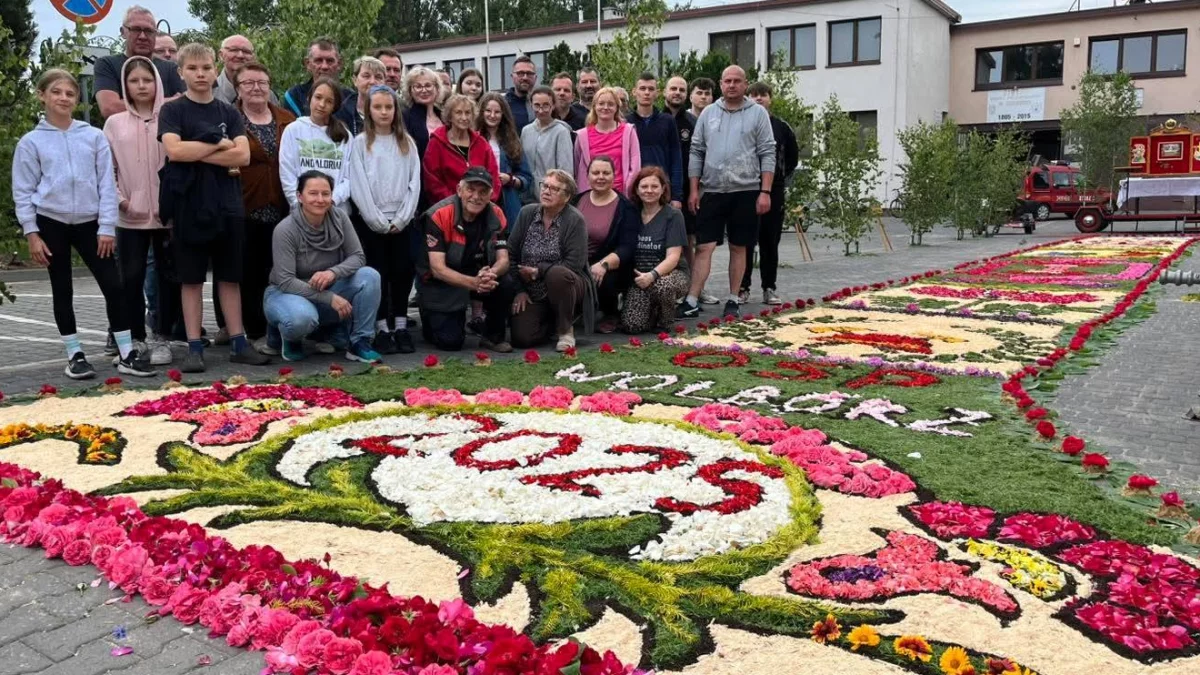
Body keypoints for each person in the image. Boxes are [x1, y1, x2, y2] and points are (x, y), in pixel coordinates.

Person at [14, 69, 154, 379]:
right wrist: (32, 233)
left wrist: (107, 226)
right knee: (62, 287)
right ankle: (75, 354)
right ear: (41, 95)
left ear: (77, 99)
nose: (63, 98)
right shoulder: (31, 142)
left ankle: (127, 352)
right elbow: (23, 191)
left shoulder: (93, 136)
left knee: (113, 285)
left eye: (70, 93)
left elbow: (107, 184)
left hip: (90, 223)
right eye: (56, 92)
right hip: (51, 221)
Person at [158, 43, 272, 372]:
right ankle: (194, 346)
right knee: (191, 280)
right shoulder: (173, 111)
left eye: (206, 67)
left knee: (230, 277)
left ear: (215, 69)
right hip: (189, 205)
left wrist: (197, 151)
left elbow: (243, 156)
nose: (201, 74)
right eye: (193, 68)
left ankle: (239, 342)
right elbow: (174, 152)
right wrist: (217, 143)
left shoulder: (228, 113)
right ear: (181, 72)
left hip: (228, 205)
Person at [681, 66, 775, 320]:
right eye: (727, 81)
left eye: (737, 81)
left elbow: (767, 152)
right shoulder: (709, 113)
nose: (732, 85)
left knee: (739, 246)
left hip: (746, 190)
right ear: (721, 84)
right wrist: (694, 189)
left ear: (745, 84)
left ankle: (733, 298)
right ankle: (691, 299)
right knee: (704, 246)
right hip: (712, 190)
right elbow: (696, 151)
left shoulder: (757, 114)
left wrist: (765, 191)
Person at [103, 56, 177, 366]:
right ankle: (135, 337)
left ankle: (162, 336)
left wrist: (172, 203)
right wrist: (121, 200)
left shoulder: (170, 117)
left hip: (166, 215)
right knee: (130, 278)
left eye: (147, 80)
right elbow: (107, 168)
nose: (142, 86)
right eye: (134, 81)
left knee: (167, 278)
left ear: (157, 83)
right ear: (125, 86)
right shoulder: (114, 123)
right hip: (130, 216)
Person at [266, 171, 382, 364]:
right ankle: (287, 336)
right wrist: (330, 298)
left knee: (369, 276)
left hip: (326, 288)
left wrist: (333, 273)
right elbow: (285, 281)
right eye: (313, 193)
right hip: (287, 293)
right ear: (299, 196)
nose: (320, 199)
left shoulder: (340, 218)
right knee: (300, 319)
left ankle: (360, 342)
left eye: (325, 193)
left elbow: (358, 256)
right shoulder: (285, 229)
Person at [349, 85, 422, 355]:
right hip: (373, 221)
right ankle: (381, 328)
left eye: (388, 107)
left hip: (401, 219)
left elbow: (414, 182)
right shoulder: (360, 144)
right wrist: (376, 219)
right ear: (368, 110)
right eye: (378, 107)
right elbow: (358, 184)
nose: (383, 112)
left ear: (395, 110)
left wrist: (403, 217)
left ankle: (400, 326)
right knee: (378, 273)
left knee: (402, 271)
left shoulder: (406, 143)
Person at [416, 168, 512, 352]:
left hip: (477, 273)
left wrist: (490, 275)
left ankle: (493, 336)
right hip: (440, 281)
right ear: (459, 190)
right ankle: (429, 315)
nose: (476, 196)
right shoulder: (439, 214)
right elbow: (437, 269)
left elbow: (504, 260)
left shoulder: (497, 214)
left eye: (483, 192)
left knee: (505, 282)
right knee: (450, 342)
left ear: (490, 195)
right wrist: (474, 283)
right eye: (471, 189)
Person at [235, 62, 296, 349]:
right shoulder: (230, 119)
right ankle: (254, 330)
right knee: (248, 272)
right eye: (248, 83)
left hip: (281, 207)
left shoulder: (287, 118)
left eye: (261, 82)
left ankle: (280, 327)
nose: (256, 88)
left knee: (278, 271)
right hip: (244, 205)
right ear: (238, 89)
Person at [507, 169, 593, 351]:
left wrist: (539, 271)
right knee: (522, 338)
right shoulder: (527, 213)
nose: (547, 191)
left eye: (554, 189)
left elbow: (574, 264)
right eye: (545, 186)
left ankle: (565, 330)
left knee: (557, 274)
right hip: (532, 291)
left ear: (567, 197)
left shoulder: (575, 220)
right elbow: (511, 254)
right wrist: (519, 290)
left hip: (568, 286)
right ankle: (552, 322)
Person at [741, 81, 800, 306]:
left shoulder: (782, 127)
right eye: (754, 95)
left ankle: (769, 287)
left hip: (773, 190)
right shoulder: (742, 124)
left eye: (763, 95)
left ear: (770, 99)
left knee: (770, 240)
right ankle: (742, 287)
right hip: (746, 187)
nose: (758, 98)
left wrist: (777, 178)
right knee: (744, 241)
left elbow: (792, 158)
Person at [572, 156, 638, 334]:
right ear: (587, 176)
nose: (600, 177)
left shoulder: (626, 208)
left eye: (606, 173)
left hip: (608, 263)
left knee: (603, 278)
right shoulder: (576, 201)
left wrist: (604, 264)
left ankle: (610, 312)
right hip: (575, 259)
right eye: (595, 173)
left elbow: (627, 247)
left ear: (614, 176)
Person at [622, 167, 690, 333]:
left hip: (670, 275)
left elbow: (673, 257)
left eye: (654, 186)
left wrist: (652, 275)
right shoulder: (630, 213)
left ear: (663, 188)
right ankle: (652, 311)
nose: (649, 190)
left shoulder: (673, 215)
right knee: (632, 325)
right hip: (640, 278)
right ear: (636, 189)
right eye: (644, 186)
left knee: (664, 286)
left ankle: (666, 321)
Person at [93, 6, 185, 118]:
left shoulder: (171, 68)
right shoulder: (107, 64)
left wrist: (129, 105)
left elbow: (187, 106)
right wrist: (170, 101)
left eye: (148, 31)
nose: (142, 36)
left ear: (155, 34)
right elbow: (110, 108)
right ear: (123, 32)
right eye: (136, 29)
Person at [279, 78, 353, 212]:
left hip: (336, 210)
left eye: (329, 101)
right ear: (309, 98)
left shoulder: (344, 135)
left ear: (335, 106)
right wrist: (299, 203)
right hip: (302, 211)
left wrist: (331, 200)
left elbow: (350, 178)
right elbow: (287, 172)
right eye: (318, 97)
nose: (322, 104)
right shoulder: (293, 130)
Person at [422, 94, 500, 205]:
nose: (464, 117)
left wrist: (485, 201)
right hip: (448, 206)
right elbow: (432, 182)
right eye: (458, 113)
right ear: (450, 116)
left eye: (468, 113)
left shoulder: (481, 143)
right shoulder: (436, 143)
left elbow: (494, 177)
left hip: (481, 206)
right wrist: (458, 204)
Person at [627, 72, 683, 210]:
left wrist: (676, 196)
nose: (647, 93)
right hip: (634, 189)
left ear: (657, 93)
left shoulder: (667, 121)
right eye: (642, 88)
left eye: (651, 89)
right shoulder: (626, 122)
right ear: (634, 92)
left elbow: (676, 158)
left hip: (661, 189)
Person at [478, 93, 533, 226]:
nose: (492, 115)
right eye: (488, 111)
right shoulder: (473, 137)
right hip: (479, 198)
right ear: (481, 112)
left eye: (497, 112)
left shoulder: (511, 140)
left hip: (507, 200)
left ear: (503, 114)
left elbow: (526, 177)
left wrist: (511, 179)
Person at [575, 87, 641, 197]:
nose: (605, 107)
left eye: (610, 104)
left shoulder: (629, 132)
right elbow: (577, 167)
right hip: (591, 196)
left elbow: (635, 167)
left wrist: (627, 192)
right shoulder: (582, 135)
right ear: (594, 107)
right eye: (601, 103)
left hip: (621, 195)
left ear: (617, 107)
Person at [663, 75, 700, 272]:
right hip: (656, 188)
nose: (677, 93)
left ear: (687, 94)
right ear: (665, 92)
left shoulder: (693, 123)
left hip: (686, 189)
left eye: (681, 90)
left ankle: (693, 284)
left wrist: (695, 189)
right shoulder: (656, 119)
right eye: (673, 88)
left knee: (687, 239)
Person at [521, 86, 574, 197]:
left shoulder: (561, 132)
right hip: (527, 195)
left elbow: (565, 170)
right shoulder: (526, 131)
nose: (541, 110)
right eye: (537, 105)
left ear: (553, 105)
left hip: (551, 195)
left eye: (545, 105)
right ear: (531, 105)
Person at [282, 37, 353, 118]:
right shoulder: (295, 97)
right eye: (318, 60)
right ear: (308, 64)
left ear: (339, 64)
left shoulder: (350, 99)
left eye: (330, 61)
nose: (324, 66)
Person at [214, 35, 278, 105]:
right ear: (221, 55)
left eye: (246, 51)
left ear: (253, 57)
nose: (240, 55)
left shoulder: (267, 95)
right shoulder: (209, 93)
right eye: (234, 50)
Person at [335, 56, 385, 137]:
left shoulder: (393, 113)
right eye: (366, 76)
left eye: (378, 77)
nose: (372, 82)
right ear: (355, 80)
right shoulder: (341, 113)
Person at [400, 66, 443, 160]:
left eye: (428, 85)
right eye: (418, 86)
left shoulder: (444, 116)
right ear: (410, 91)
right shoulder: (405, 117)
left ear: (437, 88)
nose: (424, 90)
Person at [505, 55, 537, 130]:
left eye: (529, 73)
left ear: (535, 78)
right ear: (512, 76)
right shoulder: (503, 105)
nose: (525, 77)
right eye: (520, 73)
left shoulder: (543, 104)